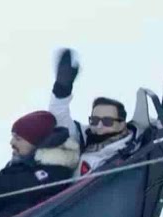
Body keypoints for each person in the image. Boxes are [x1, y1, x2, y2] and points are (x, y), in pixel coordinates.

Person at [48, 48, 145, 176]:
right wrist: (62, 88)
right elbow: (59, 118)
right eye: (94, 120)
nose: (98, 126)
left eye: (107, 121)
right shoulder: (88, 136)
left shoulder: (120, 153)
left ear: (122, 124)